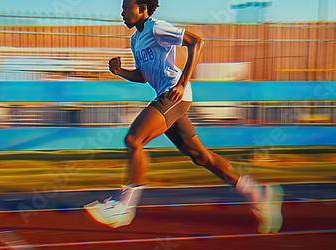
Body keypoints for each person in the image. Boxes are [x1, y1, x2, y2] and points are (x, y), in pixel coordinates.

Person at [84, 0, 284, 234]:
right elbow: (143, 76)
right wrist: (120, 72)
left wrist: (181, 83)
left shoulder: (156, 27)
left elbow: (196, 42)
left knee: (134, 140)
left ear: (142, 9)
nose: (122, 12)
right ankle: (257, 192)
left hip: (174, 94)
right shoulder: (135, 40)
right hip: (165, 95)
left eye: (127, 7)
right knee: (201, 157)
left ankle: (125, 206)